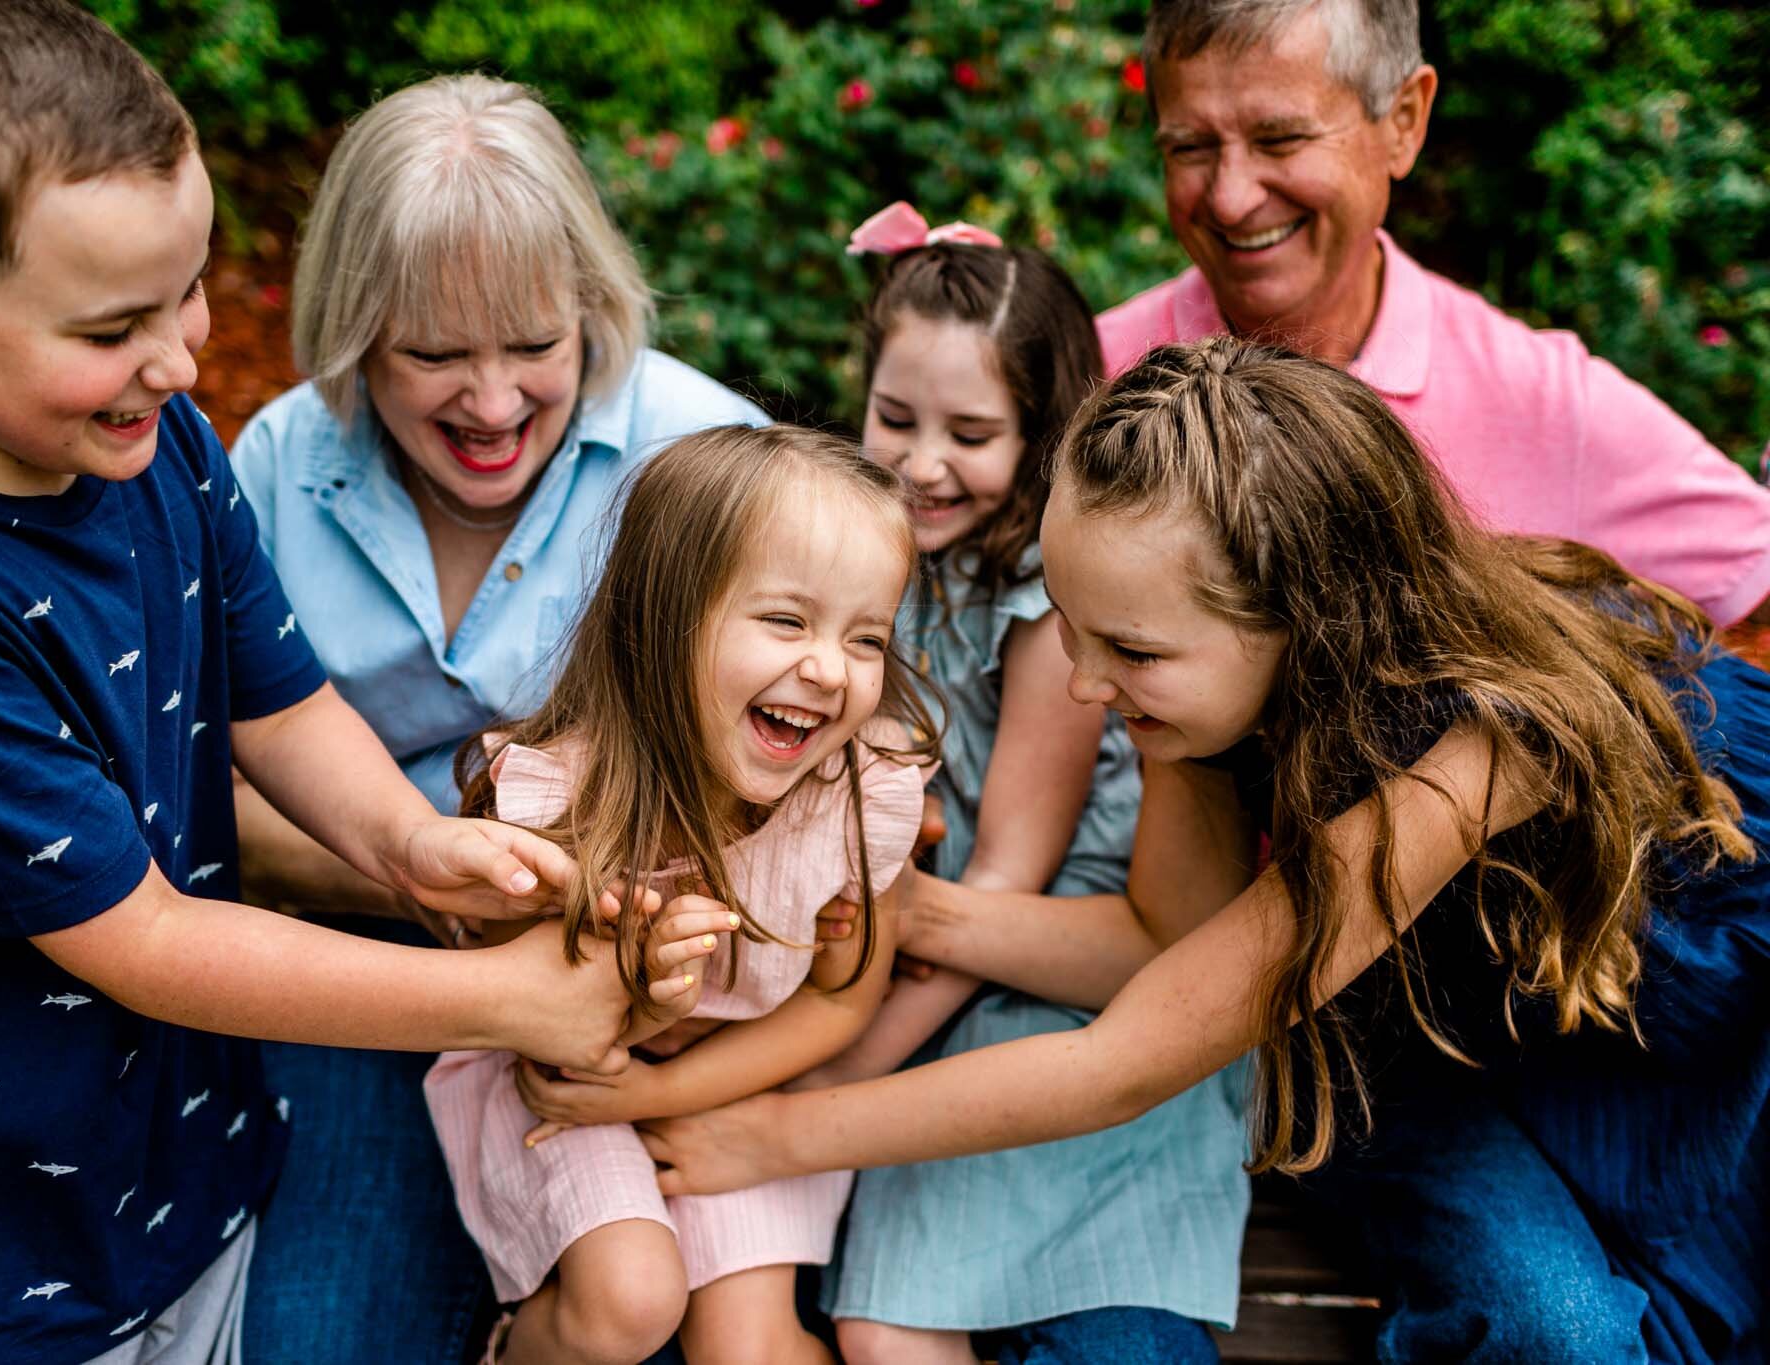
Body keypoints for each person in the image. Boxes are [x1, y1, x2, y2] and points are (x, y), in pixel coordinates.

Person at [0, 7, 641, 1362]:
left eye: (191, 292)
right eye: (114, 325)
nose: (179, 356)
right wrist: (513, 1001)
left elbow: (275, 700)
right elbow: (145, 939)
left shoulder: (147, 438)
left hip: (178, 1159)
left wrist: (413, 843)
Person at [641, 338, 1770, 1364]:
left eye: (1126, 647)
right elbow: (1160, 945)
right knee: (1550, 1330)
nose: (1083, 684)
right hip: (1436, 1046)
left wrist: (768, 1136)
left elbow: (1128, 1058)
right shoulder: (1204, 707)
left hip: (1686, 1050)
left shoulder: (1480, 747)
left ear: (1303, 620)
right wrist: (915, 913)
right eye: (1071, 628)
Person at [225, 76, 768, 1359]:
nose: (488, 402)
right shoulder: (281, 463)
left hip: (642, 1005)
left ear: (590, 305)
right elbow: (216, 795)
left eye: (532, 345)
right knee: (321, 1341)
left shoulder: (705, 459)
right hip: (370, 977)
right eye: (430, 353)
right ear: (354, 332)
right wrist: (409, 879)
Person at [816, 204, 1245, 1364]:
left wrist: (844, 1070)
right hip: (929, 950)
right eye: (891, 418)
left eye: (968, 431)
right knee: (873, 1329)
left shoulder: (1047, 608)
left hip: (1051, 963)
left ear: (1042, 436)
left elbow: (1007, 871)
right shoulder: (878, 553)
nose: (917, 462)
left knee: (885, 1324)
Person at [432, 424, 930, 1364]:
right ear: (664, 619)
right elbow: (529, 1022)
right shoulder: (562, 805)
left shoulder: (862, 804)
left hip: (736, 1080)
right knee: (629, 1300)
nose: (830, 667)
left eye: (866, 636)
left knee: (747, 1350)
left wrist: (666, 1089)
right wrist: (633, 986)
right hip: (569, 1084)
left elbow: (841, 998)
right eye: (786, 621)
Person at [1100, 0, 1770, 628]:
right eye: (1189, 147)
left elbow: (1754, 579)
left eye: (1280, 139)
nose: (1230, 198)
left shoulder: (1544, 401)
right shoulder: (1085, 372)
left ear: (1404, 121)